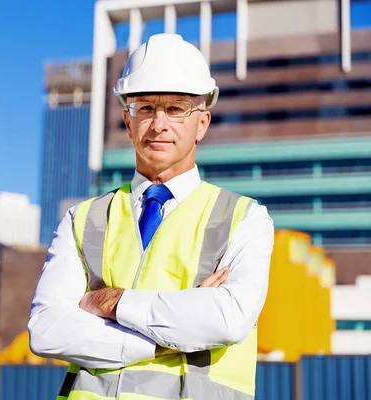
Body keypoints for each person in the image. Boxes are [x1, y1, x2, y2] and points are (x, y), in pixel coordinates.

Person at [28, 33, 274, 400]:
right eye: (144, 108)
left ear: (202, 123)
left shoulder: (245, 218)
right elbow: (47, 330)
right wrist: (172, 335)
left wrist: (109, 302)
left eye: (176, 109)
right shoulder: (82, 219)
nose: (158, 124)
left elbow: (227, 318)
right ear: (128, 123)